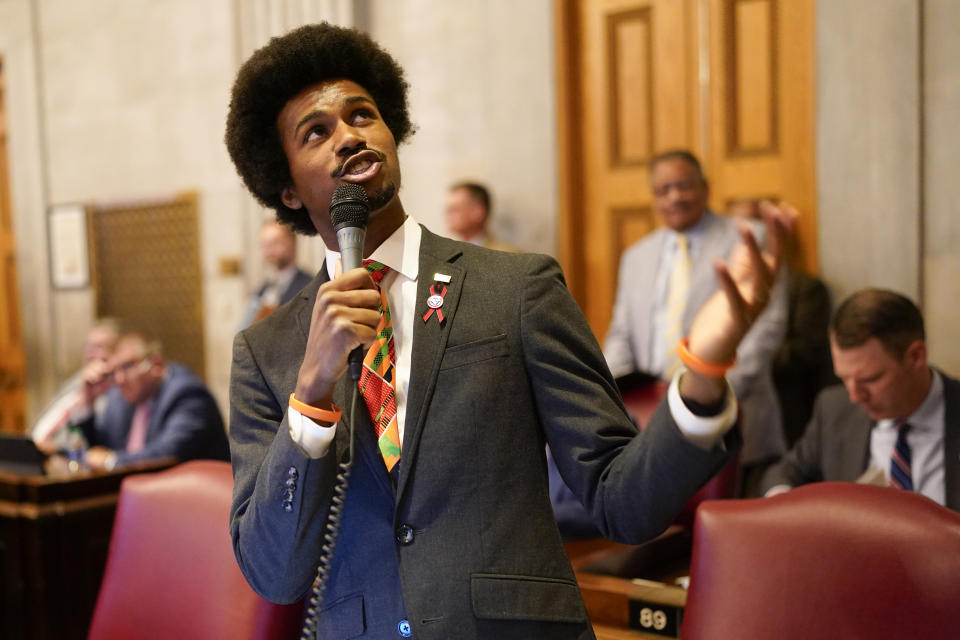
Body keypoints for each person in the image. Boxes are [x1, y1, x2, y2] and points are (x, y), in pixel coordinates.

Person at [224, 23, 792, 639]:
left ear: (393, 132)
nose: (348, 135)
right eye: (317, 131)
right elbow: (272, 573)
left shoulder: (515, 288)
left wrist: (702, 373)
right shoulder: (266, 352)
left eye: (362, 114)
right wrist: (310, 396)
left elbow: (620, 498)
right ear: (285, 187)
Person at [604, 150, 789, 483]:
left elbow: (767, 328)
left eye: (684, 185)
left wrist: (704, 395)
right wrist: (618, 397)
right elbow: (621, 334)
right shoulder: (636, 256)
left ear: (705, 187)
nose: (674, 196)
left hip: (732, 416)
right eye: (663, 190)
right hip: (648, 426)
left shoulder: (750, 238)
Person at [760, 289, 959, 511]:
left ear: (915, 357)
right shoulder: (835, 408)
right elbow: (783, 473)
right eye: (844, 378)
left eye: (870, 379)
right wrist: (783, 501)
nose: (855, 396)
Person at [729, 198, 835, 447]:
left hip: (784, 414)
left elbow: (807, 348)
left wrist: (747, 363)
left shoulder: (805, 287)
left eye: (756, 228)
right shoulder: (721, 290)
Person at [74, 331, 229, 471]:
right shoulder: (121, 398)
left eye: (127, 366)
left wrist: (110, 461)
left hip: (195, 496)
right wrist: (88, 403)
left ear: (156, 364)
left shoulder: (188, 395)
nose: (119, 379)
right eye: (114, 371)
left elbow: (166, 455)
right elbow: (100, 448)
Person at [30, 317, 123, 454]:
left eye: (99, 347)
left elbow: (97, 441)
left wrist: (58, 447)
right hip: (30, 447)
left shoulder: (117, 393)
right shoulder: (77, 379)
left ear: (116, 353)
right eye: (88, 346)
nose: (90, 352)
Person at [238, 219, 313, 328]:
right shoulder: (263, 290)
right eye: (265, 245)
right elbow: (244, 329)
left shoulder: (310, 285)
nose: (269, 251)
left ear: (292, 243)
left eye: (275, 243)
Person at [444, 181, 519, 251]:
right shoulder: (447, 253)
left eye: (455, 209)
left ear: (478, 212)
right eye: (448, 210)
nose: (448, 215)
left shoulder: (507, 254)